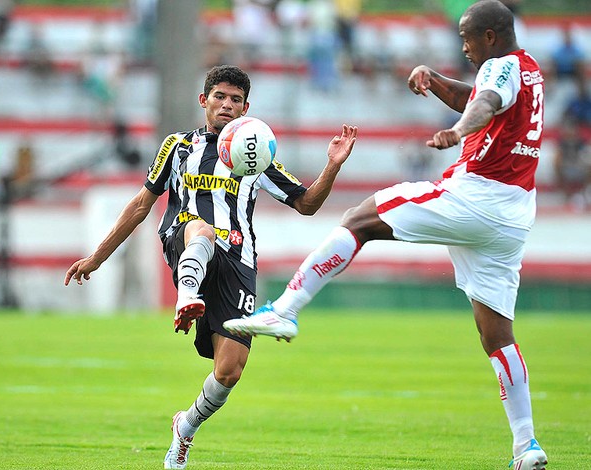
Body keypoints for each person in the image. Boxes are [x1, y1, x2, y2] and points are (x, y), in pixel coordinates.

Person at [224, 2, 548, 469]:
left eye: (467, 37)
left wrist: (457, 131)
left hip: (477, 195)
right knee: (497, 333)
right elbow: (480, 95)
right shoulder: (529, 69)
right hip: (515, 214)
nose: (463, 45)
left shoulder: (499, 68)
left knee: (359, 220)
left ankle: (285, 309)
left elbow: (484, 103)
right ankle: (527, 446)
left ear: (491, 37)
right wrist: (436, 82)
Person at [63, 64, 357, 469]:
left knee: (230, 370)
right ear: (204, 100)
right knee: (200, 227)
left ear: (246, 107)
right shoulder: (178, 146)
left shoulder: (256, 155)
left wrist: (333, 165)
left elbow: (306, 204)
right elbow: (141, 204)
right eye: (219, 96)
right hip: (185, 240)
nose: (227, 105)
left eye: (236, 100)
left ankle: (185, 429)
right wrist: (97, 257)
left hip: (238, 260)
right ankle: (187, 298)